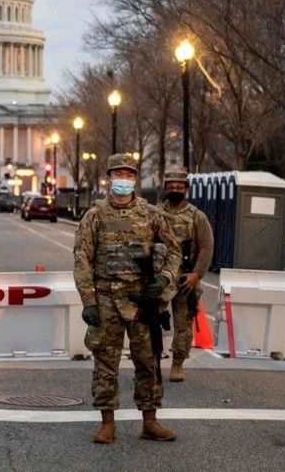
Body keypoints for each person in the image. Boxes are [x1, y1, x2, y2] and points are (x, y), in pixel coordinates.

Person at [74, 153, 181, 444]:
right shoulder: (95, 215)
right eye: (118, 174)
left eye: (128, 174)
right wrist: (89, 302)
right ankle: (107, 422)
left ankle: (150, 420)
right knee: (105, 363)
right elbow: (82, 258)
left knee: (148, 361)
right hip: (107, 298)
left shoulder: (151, 214)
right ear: (109, 179)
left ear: (134, 179)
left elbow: (173, 251)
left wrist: (163, 280)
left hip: (141, 298)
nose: (123, 180)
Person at [159, 168, 213, 383]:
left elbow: (206, 247)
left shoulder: (196, 217)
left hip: (185, 279)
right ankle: (152, 362)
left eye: (179, 187)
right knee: (151, 322)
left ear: (186, 189)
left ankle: (177, 363)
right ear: (164, 189)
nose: (175, 190)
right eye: (171, 186)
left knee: (183, 324)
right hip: (161, 278)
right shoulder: (155, 214)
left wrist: (196, 274)